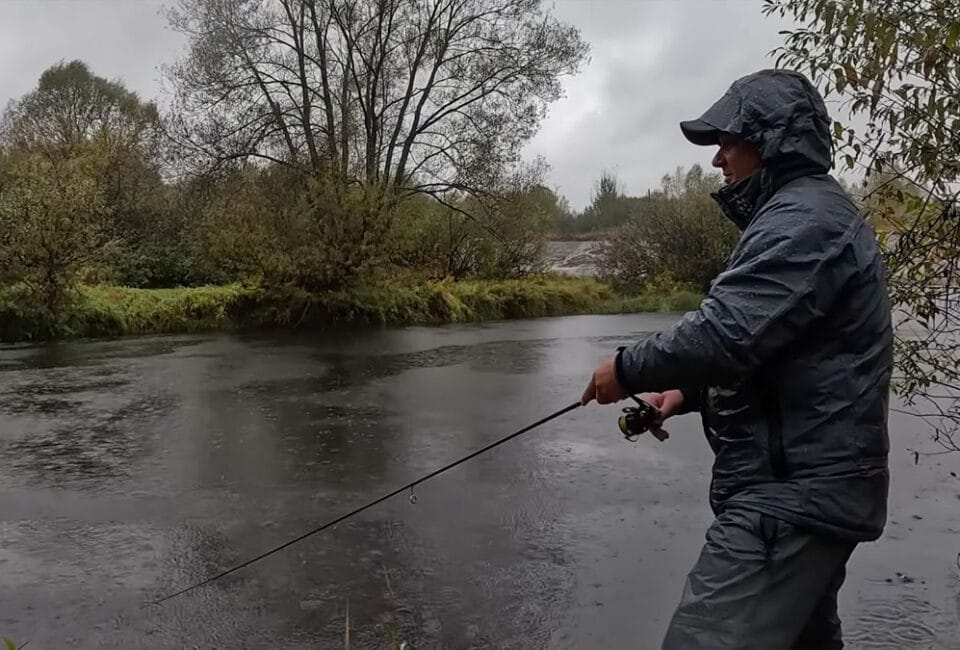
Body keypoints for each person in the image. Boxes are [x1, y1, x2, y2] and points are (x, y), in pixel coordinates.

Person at [580, 68, 894, 649]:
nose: (719, 158)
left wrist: (624, 370)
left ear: (771, 139)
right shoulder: (798, 214)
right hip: (803, 491)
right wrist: (686, 394)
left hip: (791, 498)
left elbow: (727, 335)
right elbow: (773, 347)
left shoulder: (805, 220)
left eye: (728, 140)